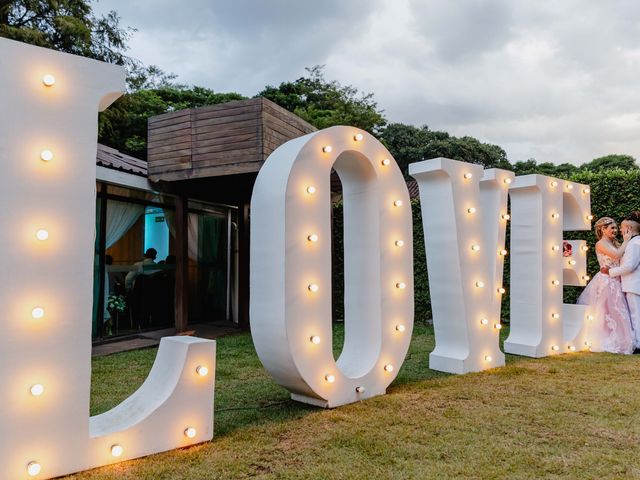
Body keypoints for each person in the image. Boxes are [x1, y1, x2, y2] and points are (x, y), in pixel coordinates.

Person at [578, 217, 634, 354]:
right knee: (605, 312)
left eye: (616, 228)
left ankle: (620, 340)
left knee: (617, 312)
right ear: (603, 229)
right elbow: (616, 255)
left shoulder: (615, 243)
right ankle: (602, 339)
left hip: (616, 279)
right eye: (612, 228)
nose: (615, 230)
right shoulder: (600, 244)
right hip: (606, 282)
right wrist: (627, 240)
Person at [601, 212, 640, 349]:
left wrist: (610, 272)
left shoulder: (634, 243)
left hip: (633, 285)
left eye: (623, 228)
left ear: (629, 229)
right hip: (631, 285)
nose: (620, 230)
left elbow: (629, 266)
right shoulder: (633, 242)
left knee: (636, 316)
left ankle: (638, 344)